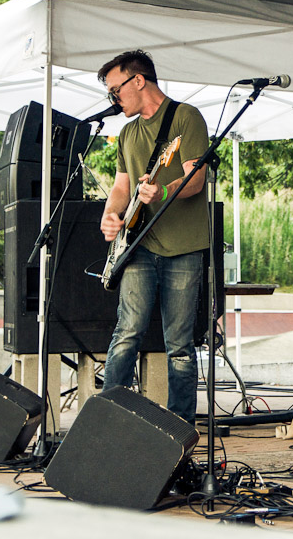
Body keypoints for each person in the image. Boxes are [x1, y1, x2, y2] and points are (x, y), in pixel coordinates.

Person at [97, 50, 209, 425]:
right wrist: (111, 215)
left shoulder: (185, 117)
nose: (113, 99)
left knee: (179, 345)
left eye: (115, 90)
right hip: (138, 245)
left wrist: (163, 191)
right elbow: (121, 187)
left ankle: (180, 429)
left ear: (138, 80)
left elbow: (196, 178)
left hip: (184, 248)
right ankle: (107, 420)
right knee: (126, 332)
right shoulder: (127, 133)